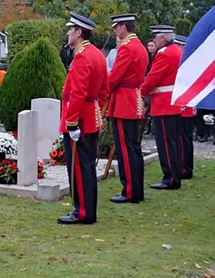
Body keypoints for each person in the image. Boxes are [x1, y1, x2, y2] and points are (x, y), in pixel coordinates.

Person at [57, 13, 108, 225]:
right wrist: (97, 112)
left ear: (79, 32)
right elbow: (104, 91)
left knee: (78, 166)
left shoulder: (82, 56)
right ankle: (87, 210)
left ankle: (82, 211)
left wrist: (72, 123)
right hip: (91, 116)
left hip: (80, 120)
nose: (68, 33)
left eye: (71, 29)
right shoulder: (96, 54)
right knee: (86, 166)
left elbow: (77, 93)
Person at [106, 14, 148, 204]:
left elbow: (114, 77)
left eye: (116, 27)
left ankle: (129, 191)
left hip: (124, 101)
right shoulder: (139, 46)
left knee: (125, 149)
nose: (115, 30)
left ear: (123, 27)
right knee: (133, 147)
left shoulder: (127, 48)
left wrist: (101, 88)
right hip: (134, 100)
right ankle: (136, 189)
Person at [140, 25, 183, 190]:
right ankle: (174, 175)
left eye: (155, 37)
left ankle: (170, 177)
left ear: (163, 38)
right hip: (171, 102)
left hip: (164, 103)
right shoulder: (175, 52)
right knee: (171, 142)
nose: (154, 40)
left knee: (165, 143)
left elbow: (153, 78)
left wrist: (141, 92)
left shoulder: (164, 54)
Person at [173, 35, 195, 179]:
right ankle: (186, 166)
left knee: (183, 138)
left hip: (184, 104)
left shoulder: (184, 61)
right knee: (185, 138)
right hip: (187, 103)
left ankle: (185, 168)